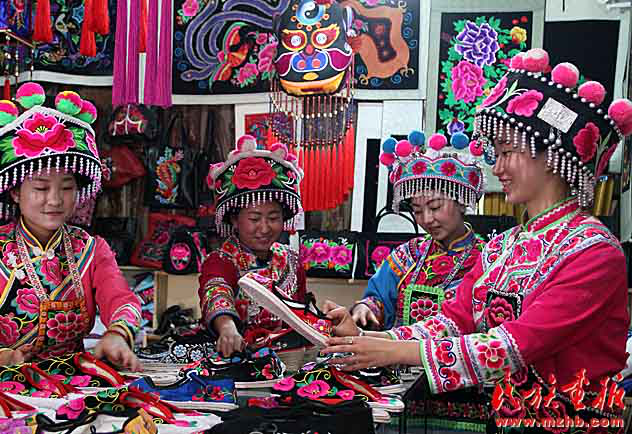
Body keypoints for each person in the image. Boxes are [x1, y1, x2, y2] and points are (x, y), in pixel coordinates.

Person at [323, 49, 629, 420]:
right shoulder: (502, 247)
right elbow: (454, 321)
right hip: (506, 417)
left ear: (552, 154)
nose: (496, 168)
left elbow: (516, 344)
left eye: (507, 152)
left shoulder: (594, 252)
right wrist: (369, 339)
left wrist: (395, 351)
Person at [0, 83, 142, 372]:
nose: (54, 200)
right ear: (15, 192)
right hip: (0, 387)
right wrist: (4, 358)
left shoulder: (91, 250)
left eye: (66, 187)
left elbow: (121, 299)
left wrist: (117, 334)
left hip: (76, 386)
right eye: (41, 188)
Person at [352, 131, 486, 330]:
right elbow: (378, 298)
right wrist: (366, 308)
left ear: (461, 202)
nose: (427, 219)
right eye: (417, 211)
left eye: (435, 207)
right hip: (396, 349)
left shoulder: (486, 259)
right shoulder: (408, 255)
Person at [199, 135, 307, 357]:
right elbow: (216, 289)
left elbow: (301, 313)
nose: (265, 228)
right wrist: (227, 327)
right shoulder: (221, 260)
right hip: (235, 356)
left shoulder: (292, 261)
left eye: (273, 218)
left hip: (287, 358)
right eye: (255, 218)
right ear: (234, 220)